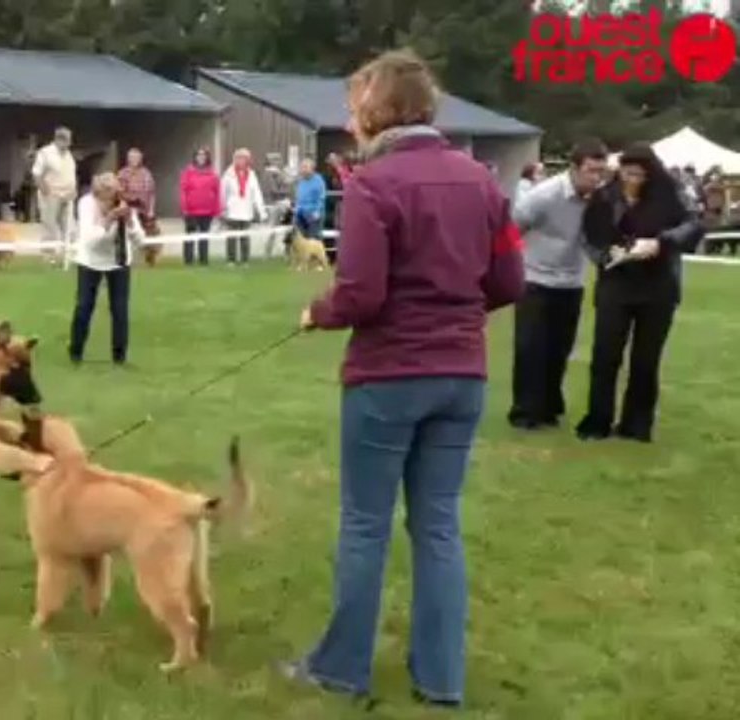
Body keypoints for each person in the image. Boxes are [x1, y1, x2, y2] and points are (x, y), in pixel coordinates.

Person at [283, 50, 524, 707]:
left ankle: (340, 669)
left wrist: (316, 312)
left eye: (353, 103)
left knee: (365, 525)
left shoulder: (372, 184)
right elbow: (508, 281)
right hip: (461, 377)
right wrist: (454, 313)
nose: (347, 117)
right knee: (438, 526)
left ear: (375, 107)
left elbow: (359, 294)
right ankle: (440, 677)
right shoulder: (481, 181)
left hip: (388, 376)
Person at [575, 143, 703, 443]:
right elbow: (590, 238)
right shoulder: (605, 197)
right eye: (627, 173)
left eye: (639, 175)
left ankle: (637, 424)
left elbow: (694, 225)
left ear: (650, 174)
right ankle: (598, 421)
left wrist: (661, 242)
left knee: (646, 359)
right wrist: (609, 256)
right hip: (616, 284)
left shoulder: (669, 197)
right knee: (605, 354)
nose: (632, 180)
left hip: (658, 287)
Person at [507, 140, 609, 430]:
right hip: (536, 280)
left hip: (571, 281)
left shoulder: (598, 199)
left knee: (559, 348)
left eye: (601, 171)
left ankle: (549, 407)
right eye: (591, 171)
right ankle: (524, 412)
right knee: (531, 349)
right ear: (574, 168)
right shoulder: (544, 196)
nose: (596, 178)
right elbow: (512, 230)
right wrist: (511, 268)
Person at [68, 172, 144, 366]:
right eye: (105, 199)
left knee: (120, 310)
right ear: (97, 195)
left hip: (118, 261)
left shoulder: (123, 205)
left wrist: (129, 223)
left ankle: (119, 357)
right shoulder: (86, 204)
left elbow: (140, 240)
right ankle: (76, 351)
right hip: (90, 260)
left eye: (112, 198)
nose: (109, 203)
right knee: (84, 306)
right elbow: (91, 242)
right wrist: (108, 219)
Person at [33, 127, 78, 264]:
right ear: (59, 139)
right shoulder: (45, 153)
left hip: (67, 195)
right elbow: (37, 173)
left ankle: (69, 255)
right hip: (51, 194)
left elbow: (71, 174)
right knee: (49, 226)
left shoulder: (68, 155)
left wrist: (73, 190)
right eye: (67, 140)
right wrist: (46, 191)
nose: (69, 144)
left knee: (70, 226)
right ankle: (48, 257)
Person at [219, 148, 266, 266]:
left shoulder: (251, 174)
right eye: (239, 158)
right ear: (235, 159)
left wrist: (261, 211)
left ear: (247, 160)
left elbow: (257, 193)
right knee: (231, 237)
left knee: (245, 237)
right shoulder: (228, 174)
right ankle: (231, 260)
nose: (241, 161)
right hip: (232, 210)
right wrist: (222, 208)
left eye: (244, 158)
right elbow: (222, 192)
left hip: (246, 210)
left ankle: (245, 260)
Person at [179, 147, 219, 265]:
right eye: (199, 155)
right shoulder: (188, 172)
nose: (201, 157)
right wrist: (184, 207)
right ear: (195, 157)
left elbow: (217, 191)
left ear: (207, 157)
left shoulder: (212, 174)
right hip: (191, 211)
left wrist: (216, 209)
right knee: (190, 236)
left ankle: (203, 260)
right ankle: (188, 260)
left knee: (204, 236)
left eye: (203, 155)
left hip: (207, 211)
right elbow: (183, 191)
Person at [292, 156, 327, 241]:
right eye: (302, 167)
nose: (303, 169)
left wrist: (317, 212)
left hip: (313, 215)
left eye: (305, 167)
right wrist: (296, 209)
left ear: (312, 168)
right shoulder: (300, 181)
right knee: (300, 241)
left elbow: (321, 198)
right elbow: (299, 198)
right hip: (301, 215)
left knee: (313, 241)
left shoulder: (318, 180)